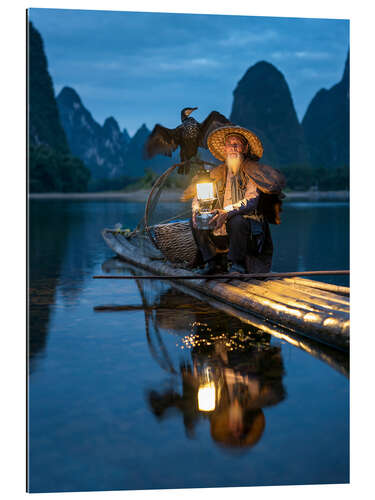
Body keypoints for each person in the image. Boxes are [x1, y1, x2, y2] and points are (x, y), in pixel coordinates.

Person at [182, 125, 286, 274]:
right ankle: (213, 263)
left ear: (244, 149)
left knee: (236, 220)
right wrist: (196, 210)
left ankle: (238, 265)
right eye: (229, 144)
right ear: (224, 149)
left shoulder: (252, 171)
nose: (233, 147)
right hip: (222, 227)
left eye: (236, 144)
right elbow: (199, 196)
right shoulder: (217, 173)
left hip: (247, 229)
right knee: (197, 220)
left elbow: (252, 200)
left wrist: (226, 212)